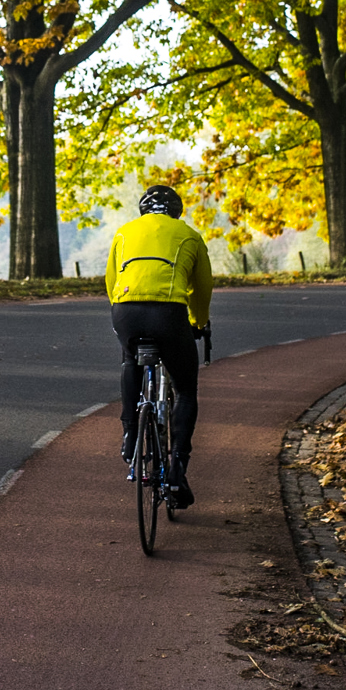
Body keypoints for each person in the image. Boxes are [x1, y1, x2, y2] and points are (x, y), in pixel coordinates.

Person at [104, 185, 213, 509]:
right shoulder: (189, 234)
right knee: (185, 390)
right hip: (169, 314)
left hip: (126, 311)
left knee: (129, 360)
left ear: (143, 211)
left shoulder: (124, 232)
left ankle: (129, 435)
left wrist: (123, 314)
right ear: (176, 211)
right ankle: (178, 469)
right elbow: (202, 287)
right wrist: (198, 322)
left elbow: (111, 281)